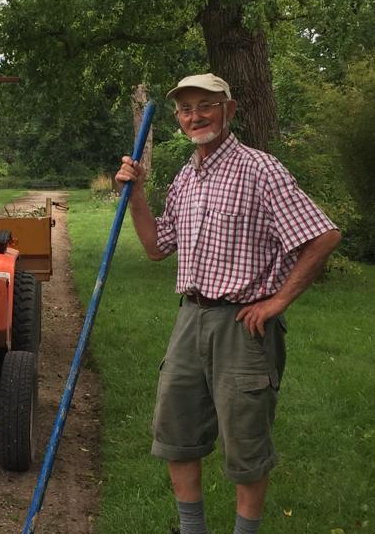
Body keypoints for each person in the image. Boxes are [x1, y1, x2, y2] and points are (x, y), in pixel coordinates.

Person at [115, 73, 341, 534]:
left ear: (229, 110)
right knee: (176, 435)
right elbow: (158, 246)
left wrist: (277, 302)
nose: (194, 116)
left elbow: (323, 236)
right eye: (185, 109)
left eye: (205, 105)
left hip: (243, 328)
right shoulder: (186, 178)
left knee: (246, 445)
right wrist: (136, 193)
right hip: (189, 319)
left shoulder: (261, 170)